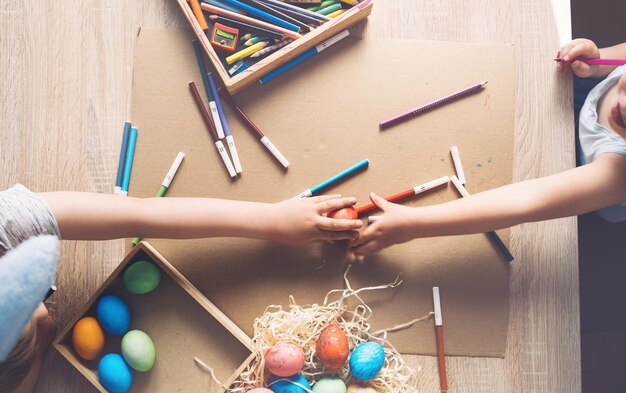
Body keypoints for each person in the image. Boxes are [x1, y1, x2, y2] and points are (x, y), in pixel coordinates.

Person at [0, 184, 361, 393]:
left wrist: (270, 220)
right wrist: (37, 345)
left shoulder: (9, 221)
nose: (43, 312)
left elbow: (142, 214)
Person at [351, 38, 626, 256]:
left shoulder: (619, 176)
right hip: (574, 105)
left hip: (588, 190)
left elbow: (527, 200)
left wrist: (415, 223)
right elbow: (620, 56)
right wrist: (599, 62)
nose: (624, 105)